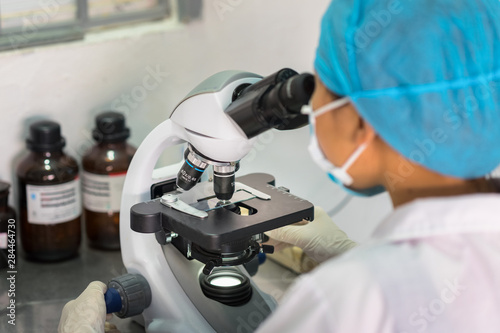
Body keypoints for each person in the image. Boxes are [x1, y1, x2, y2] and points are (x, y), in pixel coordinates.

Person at [59, 0, 500, 332]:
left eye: (323, 86)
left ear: (364, 124)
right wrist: (348, 253)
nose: (311, 105)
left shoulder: (345, 301)